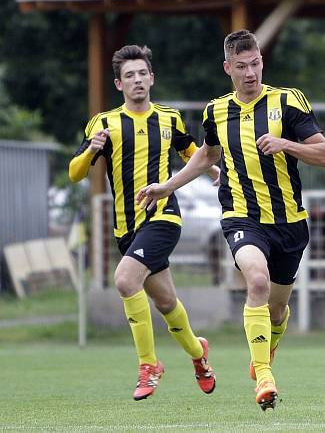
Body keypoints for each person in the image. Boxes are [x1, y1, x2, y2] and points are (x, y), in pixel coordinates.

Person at [137, 30, 325, 411]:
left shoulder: (287, 101)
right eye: (241, 66)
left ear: (262, 61)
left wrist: (286, 144)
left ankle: (265, 353)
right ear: (228, 68)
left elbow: (324, 154)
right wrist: (167, 186)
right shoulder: (217, 111)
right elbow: (206, 155)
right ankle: (263, 376)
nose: (250, 73)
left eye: (255, 63)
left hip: (289, 222)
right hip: (241, 215)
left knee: (276, 310)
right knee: (255, 279)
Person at [68, 45, 218, 401]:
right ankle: (199, 355)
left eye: (142, 73)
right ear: (119, 84)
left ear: (152, 78)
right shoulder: (103, 124)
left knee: (124, 279)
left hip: (163, 216)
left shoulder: (169, 118)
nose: (137, 80)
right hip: (126, 228)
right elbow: (75, 174)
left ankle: (149, 365)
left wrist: (214, 170)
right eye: (129, 75)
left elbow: (190, 150)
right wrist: (91, 150)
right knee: (166, 302)